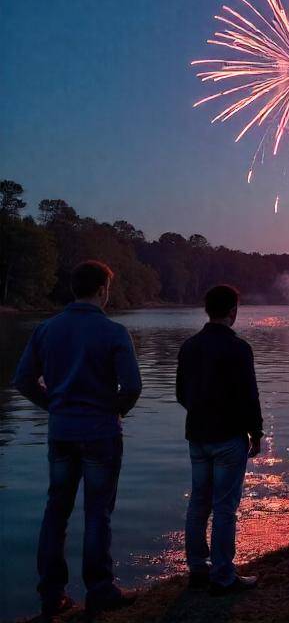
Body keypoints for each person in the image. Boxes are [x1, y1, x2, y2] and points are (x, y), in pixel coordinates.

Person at [13, 260, 141, 619]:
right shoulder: (114, 332)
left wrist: (54, 406)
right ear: (102, 290)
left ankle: (52, 596)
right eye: (108, 290)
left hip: (62, 434)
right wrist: (112, 412)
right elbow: (131, 387)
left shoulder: (46, 329)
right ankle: (100, 590)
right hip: (100, 434)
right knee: (98, 513)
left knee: (56, 512)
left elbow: (22, 380)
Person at [176, 285, 263, 596]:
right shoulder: (238, 348)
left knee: (199, 503)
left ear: (206, 310)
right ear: (233, 311)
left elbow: (181, 394)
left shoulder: (189, 346)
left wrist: (201, 413)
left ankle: (198, 569)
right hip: (228, 438)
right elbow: (249, 396)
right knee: (225, 507)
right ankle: (223, 575)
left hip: (197, 437)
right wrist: (257, 431)